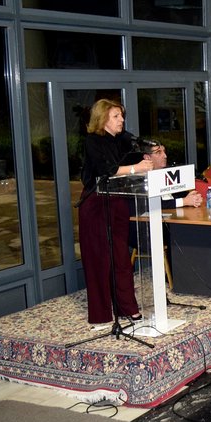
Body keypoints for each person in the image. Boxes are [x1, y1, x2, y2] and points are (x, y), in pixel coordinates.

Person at [78, 98, 153, 324]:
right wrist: (136, 168)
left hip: (117, 203)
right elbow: (106, 170)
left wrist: (145, 158)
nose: (121, 120)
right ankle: (101, 314)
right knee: (100, 261)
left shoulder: (122, 139)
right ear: (103, 119)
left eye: (121, 116)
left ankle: (127, 308)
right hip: (96, 205)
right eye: (116, 116)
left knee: (121, 259)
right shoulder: (92, 141)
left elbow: (131, 159)